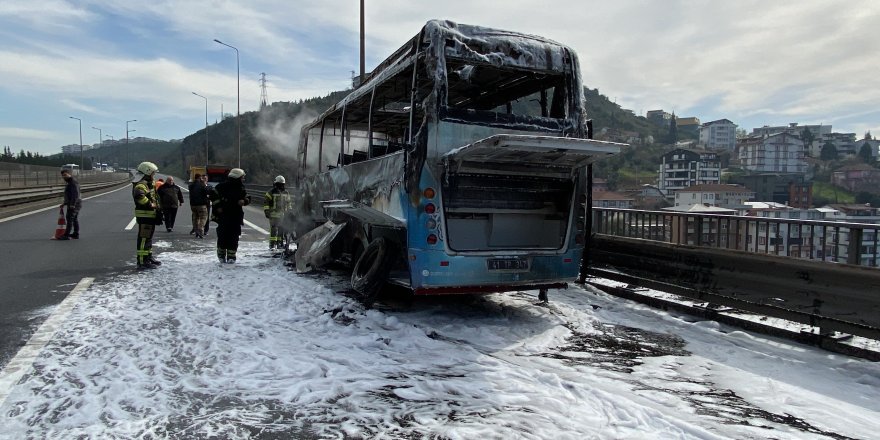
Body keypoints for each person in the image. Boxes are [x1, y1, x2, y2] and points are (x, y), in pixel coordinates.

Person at [210, 168, 250, 263]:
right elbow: (213, 197)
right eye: (242, 177)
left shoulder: (241, 188)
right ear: (237, 177)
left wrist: (244, 201)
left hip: (235, 217)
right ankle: (221, 256)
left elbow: (247, 197)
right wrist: (218, 206)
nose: (243, 179)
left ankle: (231, 257)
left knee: (234, 237)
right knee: (223, 237)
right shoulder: (221, 187)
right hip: (223, 216)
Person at [132, 161, 163, 270]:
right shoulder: (142, 184)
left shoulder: (147, 183)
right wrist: (150, 204)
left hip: (149, 216)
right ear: (147, 172)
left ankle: (148, 257)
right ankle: (141, 261)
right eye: (153, 173)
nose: (153, 175)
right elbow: (139, 196)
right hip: (145, 216)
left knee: (148, 239)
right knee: (144, 240)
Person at [263, 175, 292, 250]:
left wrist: (289, 211)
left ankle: (279, 244)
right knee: (274, 230)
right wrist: (267, 211)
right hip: (274, 215)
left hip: (282, 215)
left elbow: (288, 203)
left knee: (281, 230)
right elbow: (266, 202)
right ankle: (272, 245)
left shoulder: (285, 192)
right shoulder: (271, 192)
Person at [58, 169, 81, 240]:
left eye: (65, 175)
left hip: (74, 204)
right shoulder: (70, 182)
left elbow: (75, 195)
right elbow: (69, 195)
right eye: (63, 176)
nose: (64, 177)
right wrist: (64, 203)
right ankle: (75, 234)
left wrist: (72, 204)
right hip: (75, 203)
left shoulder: (72, 182)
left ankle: (66, 235)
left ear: (69, 174)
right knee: (74, 219)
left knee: (69, 219)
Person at [188, 173, 209, 238]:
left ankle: (196, 230)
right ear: (200, 178)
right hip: (201, 204)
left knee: (195, 218)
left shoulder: (191, 185)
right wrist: (204, 183)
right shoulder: (202, 185)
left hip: (193, 204)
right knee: (203, 217)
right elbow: (207, 191)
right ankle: (200, 229)